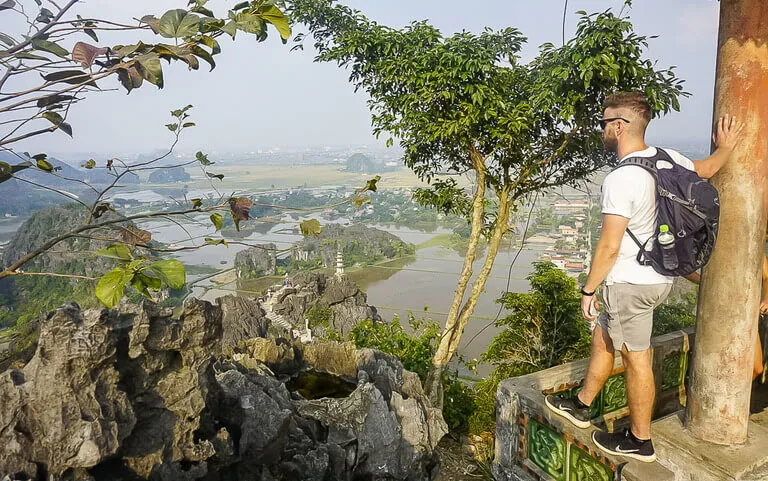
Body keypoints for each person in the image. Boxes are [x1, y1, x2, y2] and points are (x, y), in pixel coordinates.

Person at [544, 91, 744, 463]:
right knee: (604, 335)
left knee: (636, 357)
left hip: (630, 283)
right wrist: (727, 147)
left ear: (619, 126)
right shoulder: (669, 159)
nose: (602, 130)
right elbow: (708, 168)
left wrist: (588, 289)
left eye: (605, 123)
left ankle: (640, 440)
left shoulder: (621, 179)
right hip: (660, 275)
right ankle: (582, 404)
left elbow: (608, 245)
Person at [685, 256, 767, 380]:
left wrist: (766, 298)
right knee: (717, 366)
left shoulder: (754, 243)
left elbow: (766, 277)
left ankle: (734, 397)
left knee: (756, 367)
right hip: (718, 312)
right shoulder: (712, 239)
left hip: (746, 314)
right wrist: (707, 281)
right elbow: (683, 268)